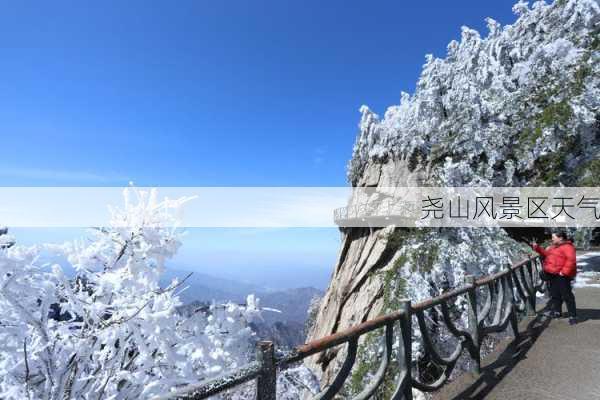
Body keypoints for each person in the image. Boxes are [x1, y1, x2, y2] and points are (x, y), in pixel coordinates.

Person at [531, 231, 577, 325]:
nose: (552, 239)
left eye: (553, 237)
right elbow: (546, 254)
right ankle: (557, 312)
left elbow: (571, 260)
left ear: (560, 238)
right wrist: (537, 248)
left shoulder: (568, 247)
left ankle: (573, 315)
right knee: (555, 294)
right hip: (552, 274)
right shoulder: (553, 247)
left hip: (562, 275)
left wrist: (563, 272)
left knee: (567, 295)